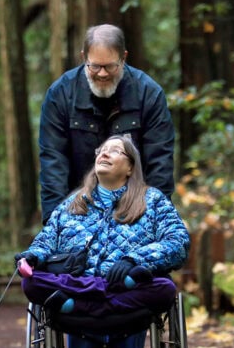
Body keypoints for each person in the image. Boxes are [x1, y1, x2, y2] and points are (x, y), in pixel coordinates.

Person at [16, 135, 190, 348]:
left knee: (163, 288)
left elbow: (178, 242)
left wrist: (134, 260)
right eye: (102, 150)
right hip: (82, 286)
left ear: (131, 167)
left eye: (115, 151)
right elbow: (46, 240)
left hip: (121, 290)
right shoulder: (74, 203)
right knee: (32, 280)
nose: (104, 154)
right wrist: (33, 255)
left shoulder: (152, 200)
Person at [38, 23, 175, 224]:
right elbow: (53, 163)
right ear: (84, 57)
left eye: (110, 66)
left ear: (124, 57)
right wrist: (55, 224)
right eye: (95, 66)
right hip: (78, 210)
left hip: (133, 211)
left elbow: (160, 164)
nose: (102, 73)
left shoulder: (148, 94)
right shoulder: (60, 95)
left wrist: (153, 221)